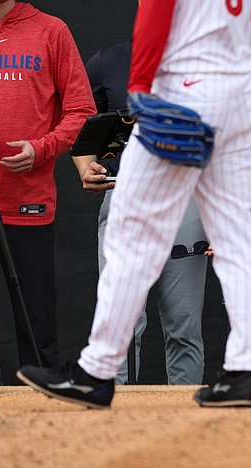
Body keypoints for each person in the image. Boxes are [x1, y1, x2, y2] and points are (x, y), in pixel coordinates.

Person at [17, 0, 251, 408]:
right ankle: (242, 373)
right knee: (236, 230)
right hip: (240, 89)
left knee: (129, 232)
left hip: (183, 89)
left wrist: (141, 89)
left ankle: (96, 373)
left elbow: (158, 8)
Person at [74, 39, 208, 385]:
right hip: (124, 200)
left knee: (184, 326)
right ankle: (116, 427)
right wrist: (88, 168)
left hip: (187, 201)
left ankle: (188, 431)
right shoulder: (108, 62)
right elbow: (85, 130)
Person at [0, 0, 95, 384]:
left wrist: (42, 148)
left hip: (27, 201)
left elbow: (82, 110)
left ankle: (42, 417)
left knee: (36, 326)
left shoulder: (51, 31)